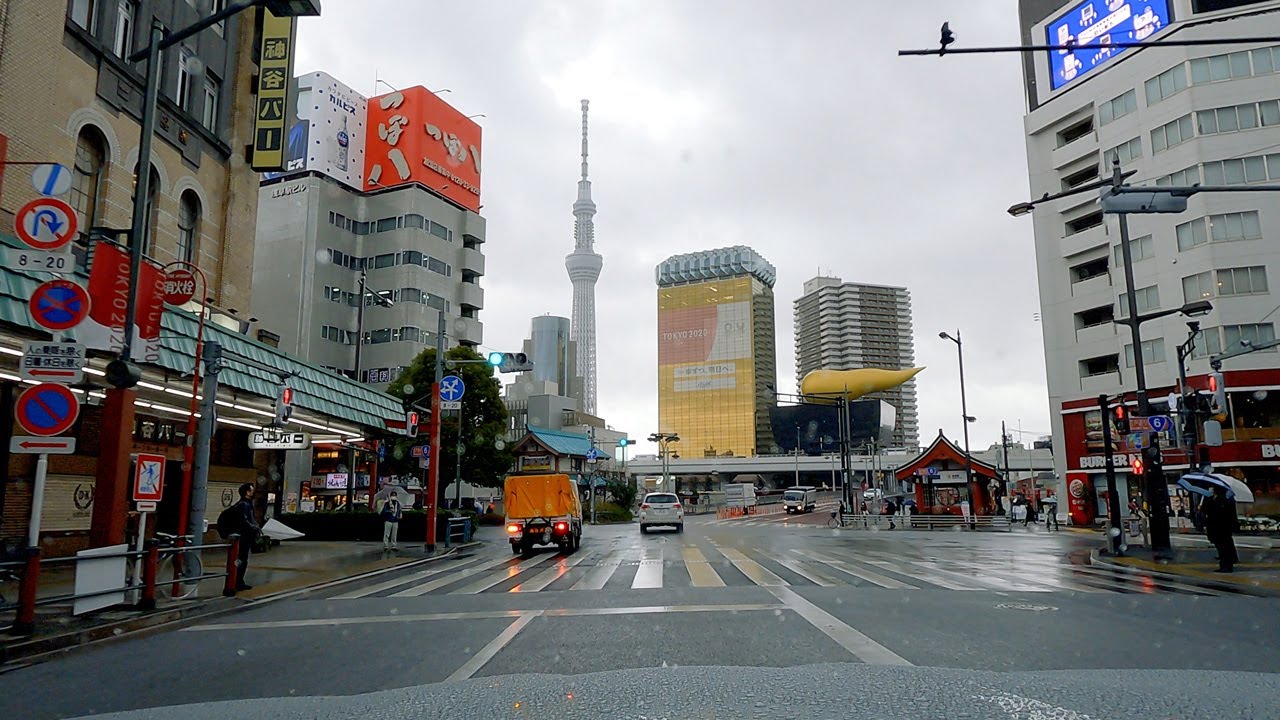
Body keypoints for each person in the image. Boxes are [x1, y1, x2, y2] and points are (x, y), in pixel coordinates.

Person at [1201, 485, 1239, 573]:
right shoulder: (1212, 498)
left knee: (1224, 547)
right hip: (1217, 527)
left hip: (1221, 527)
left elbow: (1225, 514)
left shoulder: (1224, 500)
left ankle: (1227, 565)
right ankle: (1224, 564)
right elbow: (1206, 509)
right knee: (1221, 547)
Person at [234, 483, 260, 591]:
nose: (253, 492)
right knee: (242, 559)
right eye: (251, 490)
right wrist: (254, 527)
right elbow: (246, 520)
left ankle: (238, 581)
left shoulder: (244, 504)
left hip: (245, 535)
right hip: (245, 535)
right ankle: (238, 581)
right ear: (247, 492)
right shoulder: (244, 505)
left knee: (242, 558)